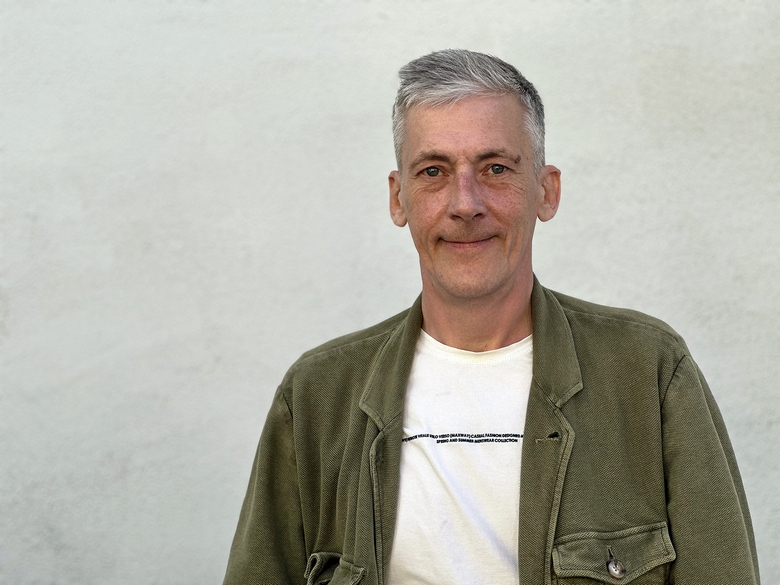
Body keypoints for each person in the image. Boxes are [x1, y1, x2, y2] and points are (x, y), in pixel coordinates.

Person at [223, 49, 760, 585]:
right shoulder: (316, 397)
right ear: (398, 198)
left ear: (546, 191)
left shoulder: (647, 373)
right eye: (433, 171)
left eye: (495, 168)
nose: (465, 203)